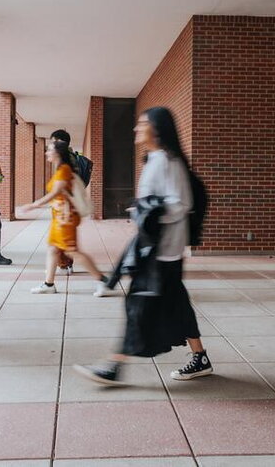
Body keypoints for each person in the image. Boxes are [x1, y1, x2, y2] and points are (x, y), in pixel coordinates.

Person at [74, 106, 211, 385]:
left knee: (137, 305)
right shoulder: (156, 159)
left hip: (160, 250)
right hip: (161, 249)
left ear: (157, 129)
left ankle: (114, 365)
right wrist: (143, 208)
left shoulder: (166, 161)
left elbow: (180, 203)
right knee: (177, 304)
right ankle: (200, 358)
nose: (137, 129)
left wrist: (147, 210)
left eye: (142, 124)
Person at [18, 140, 116, 298]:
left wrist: (34, 205)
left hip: (66, 218)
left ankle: (103, 281)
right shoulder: (59, 170)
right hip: (60, 217)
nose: (46, 152)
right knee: (53, 248)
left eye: (49, 150)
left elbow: (56, 192)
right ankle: (48, 284)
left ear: (58, 153)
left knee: (72, 251)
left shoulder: (64, 170)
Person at [49, 129, 92, 276]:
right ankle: (58, 271)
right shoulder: (69, 157)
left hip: (65, 206)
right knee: (60, 243)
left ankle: (65, 265)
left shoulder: (66, 159)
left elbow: (64, 185)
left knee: (66, 243)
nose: (51, 144)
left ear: (60, 142)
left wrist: (35, 204)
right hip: (65, 204)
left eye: (53, 141)